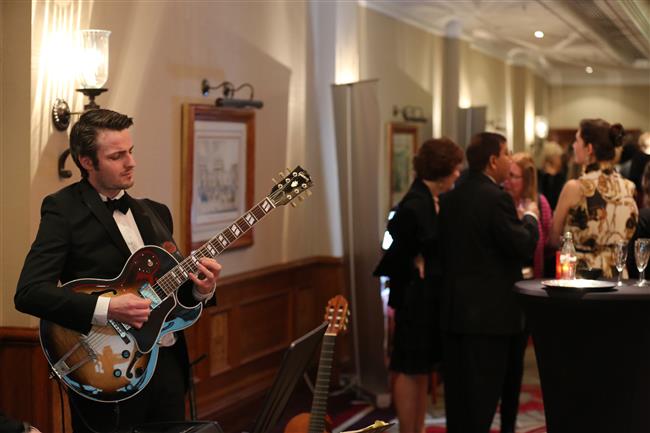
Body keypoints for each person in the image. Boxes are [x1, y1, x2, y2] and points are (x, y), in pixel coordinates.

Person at [14, 109, 222, 433]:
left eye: (131, 151)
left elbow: (169, 292)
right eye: (117, 155)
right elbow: (29, 292)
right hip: (105, 365)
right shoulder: (62, 210)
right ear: (86, 161)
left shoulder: (155, 213)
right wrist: (109, 308)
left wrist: (201, 290)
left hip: (167, 365)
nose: (131, 162)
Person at [439, 132, 539, 433]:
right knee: (483, 400)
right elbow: (522, 246)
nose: (509, 159)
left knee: (458, 400)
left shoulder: (450, 197)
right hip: (490, 318)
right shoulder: (497, 199)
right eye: (506, 153)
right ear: (493, 160)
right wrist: (531, 219)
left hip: (455, 313)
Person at [374, 138, 464, 433]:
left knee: (423, 368)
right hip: (414, 299)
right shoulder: (416, 204)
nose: (458, 173)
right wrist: (417, 260)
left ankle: (418, 428)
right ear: (444, 169)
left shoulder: (432, 198)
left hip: (426, 298)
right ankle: (408, 430)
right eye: (455, 167)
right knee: (410, 368)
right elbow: (399, 244)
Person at [549, 119, 638, 278]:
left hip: (581, 278)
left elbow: (554, 238)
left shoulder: (575, 188)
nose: (574, 146)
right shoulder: (629, 187)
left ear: (589, 148)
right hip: (618, 278)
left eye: (577, 140)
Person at [504, 152, 552, 279]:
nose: (506, 181)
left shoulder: (541, 203)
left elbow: (548, 244)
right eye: (506, 175)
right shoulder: (501, 203)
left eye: (513, 176)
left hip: (533, 277)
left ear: (527, 180)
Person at [537, 141, 566, 211]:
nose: (560, 160)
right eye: (558, 157)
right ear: (552, 157)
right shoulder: (540, 174)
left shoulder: (560, 175)